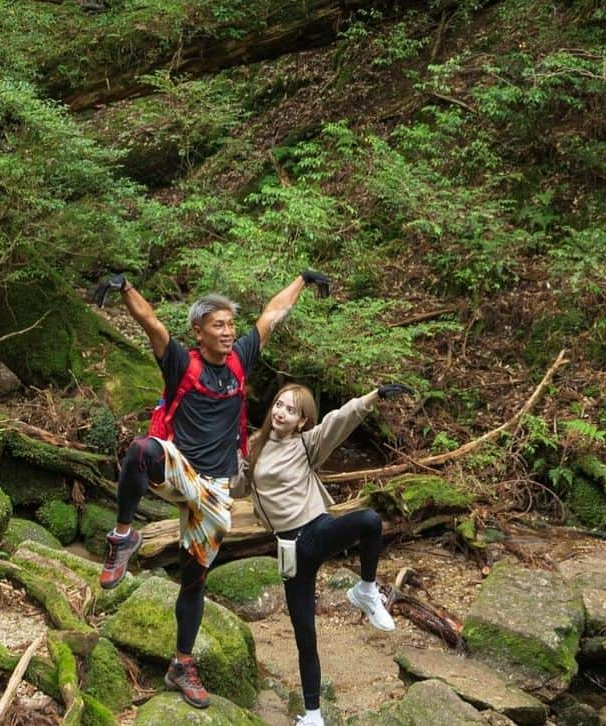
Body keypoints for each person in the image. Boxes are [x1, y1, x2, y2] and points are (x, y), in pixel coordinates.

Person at [91, 269, 330, 709]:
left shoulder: (239, 360)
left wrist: (302, 279)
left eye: (229, 326)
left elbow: (272, 316)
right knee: (142, 450)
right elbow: (152, 324)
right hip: (181, 468)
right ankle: (123, 536)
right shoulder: (182, 362)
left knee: (193, 578)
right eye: (217, 325)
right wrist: (125, 287)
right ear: (198, 331)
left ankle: (181, 664)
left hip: (217, 490)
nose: (227, 332)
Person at [238, 381, 413, 726]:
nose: (281, 412)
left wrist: (373, 396)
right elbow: (238, 488)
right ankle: (314, 715)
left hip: (314, 531)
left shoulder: (306, 444)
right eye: (279, 405)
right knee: (305, 634)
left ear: (302, 421)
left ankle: (365, 590)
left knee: (369, 520)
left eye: (291, 409)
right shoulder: (254, 447)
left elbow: (339, 420)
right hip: (290, 553)